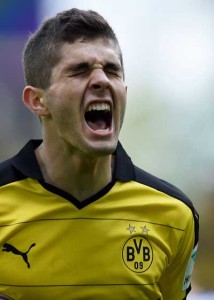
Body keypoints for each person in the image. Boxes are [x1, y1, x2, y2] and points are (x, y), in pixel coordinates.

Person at [0, 8, 199, 300]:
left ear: (124, 92)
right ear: (37, 100)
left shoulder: (174, 215)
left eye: (112, 70)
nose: (102, 80)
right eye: (79, 70)